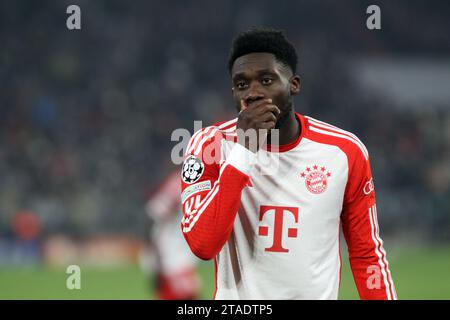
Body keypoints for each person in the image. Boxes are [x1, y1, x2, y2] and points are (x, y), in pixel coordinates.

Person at [180, 28, 396, 300]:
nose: (253, 93)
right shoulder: (210, 145)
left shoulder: (344, 151)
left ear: (293, 84)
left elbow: (367, 255)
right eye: (242, 84)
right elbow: (203, 244)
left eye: (267, 80)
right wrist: (243, 152)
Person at [145, 170, 201, 299]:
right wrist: (155, 260)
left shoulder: (196, 179)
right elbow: (152, 216)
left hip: (181, 258)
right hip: (171, 260)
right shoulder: (178, 183)